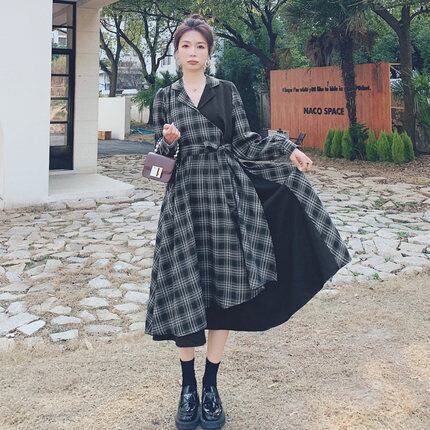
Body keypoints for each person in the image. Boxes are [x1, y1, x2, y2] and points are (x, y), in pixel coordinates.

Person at [144, 14, 352, 430]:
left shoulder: (226, 91)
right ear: (176, 52)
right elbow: (157, 163)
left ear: (209, 53)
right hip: (184, 199)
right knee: (184, 285)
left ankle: (211, 385)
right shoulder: (166, 96)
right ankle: (187, 387)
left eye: (200, 46)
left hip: (225, 196)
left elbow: (246, 141)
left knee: (223, 288)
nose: (193, 53)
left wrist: (286, 148)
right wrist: (166, 142)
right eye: (186, 46)